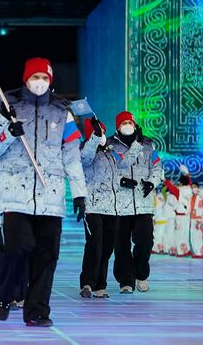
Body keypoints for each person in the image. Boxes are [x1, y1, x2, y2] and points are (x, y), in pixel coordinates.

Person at [0, 58, 87, 327]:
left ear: (50, 81)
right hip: (15, 195)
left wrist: (79, 193)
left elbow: (72, 157)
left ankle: (37, 311)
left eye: (44, 77)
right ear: (26, 80)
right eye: (34, 77)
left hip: (50, 197)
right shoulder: (9, 108)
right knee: (17, 248)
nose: (39, 82)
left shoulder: (63, 113)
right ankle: (5, 294)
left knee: (46, 256)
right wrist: (6, 130)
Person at [110, 111, 163, 293]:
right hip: (119, 204)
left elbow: (156, 167)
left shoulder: (147, 144)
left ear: (134, 124)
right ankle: (126, 280)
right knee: (121, 243)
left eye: (130, 122)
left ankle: (141, 274)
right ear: (118, 126)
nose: (127, 125)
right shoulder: (110, 145)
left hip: (143, 203)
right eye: (123, 122)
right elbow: (105, 169)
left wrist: (152, 182)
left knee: (145, 240)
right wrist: (119, 181)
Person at [78, 117, 120, 299]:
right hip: (93, 207)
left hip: (112, 207)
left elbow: (124, 165)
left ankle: (100, 285)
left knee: (107, 247)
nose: (102, 134)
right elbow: (85, 160)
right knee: (95, 244)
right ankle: (87, 282)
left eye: (102, 131)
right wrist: (94, 138)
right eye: (98, 132)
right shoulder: (85, 149)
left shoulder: (111, 152)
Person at [163, 166, 193, 258]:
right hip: (187, 215)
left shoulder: (179, 190)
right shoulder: (190, 188)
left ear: (180, 182)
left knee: (179, 234)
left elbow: (170, 187)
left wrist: (164, 179)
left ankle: (181, 251)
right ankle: (186, 250)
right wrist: (187, 174)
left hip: (179, 216)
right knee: (185, 233)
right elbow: (189, 182)